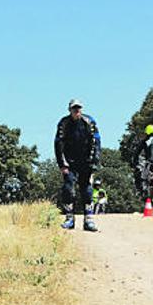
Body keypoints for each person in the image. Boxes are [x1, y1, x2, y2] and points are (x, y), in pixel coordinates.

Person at [54, 99, 101, 231]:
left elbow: (96, 141)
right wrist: (62, 163)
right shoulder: (63, 123)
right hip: (70, 162)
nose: (77, 111)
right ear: (69, 110)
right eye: (74, 108)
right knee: (68, 188)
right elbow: (58, 143)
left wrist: (94, 161)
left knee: (86, 189)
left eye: (79, 108)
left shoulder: (89, 121)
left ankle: (89, 219)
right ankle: (69, 218)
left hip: (86, 161)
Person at [134, 124, 153, 194]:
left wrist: (135, 161)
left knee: (142, 177)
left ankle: (141, 189)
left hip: (149, 163)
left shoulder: (145, 141)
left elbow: (137, 152)